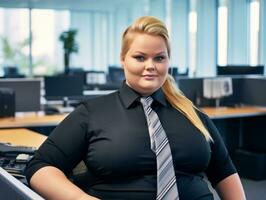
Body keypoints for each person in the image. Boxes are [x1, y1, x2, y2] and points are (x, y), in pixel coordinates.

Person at [26, 16, 246, 200]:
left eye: (159, 58)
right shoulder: (92, 113)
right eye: (140, 57)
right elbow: (41, 166)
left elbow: (224, 173)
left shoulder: (193, 115)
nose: (150, 66)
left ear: (168, 61)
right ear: (123, 59)